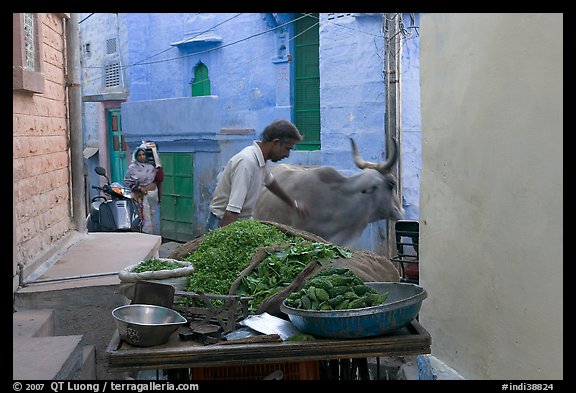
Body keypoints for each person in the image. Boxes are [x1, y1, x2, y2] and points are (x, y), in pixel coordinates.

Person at [207, 119, 309, 230]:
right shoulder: (247, 162)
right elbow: (232, 210)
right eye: (287, 149)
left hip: (241, 222)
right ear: (275, 142)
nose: (287, 155)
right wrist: (221, 241)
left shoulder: (261, 160)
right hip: (223, 222)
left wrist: (293, 204)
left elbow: (271, 183)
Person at [124, 147, 159, 234]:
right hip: (138, 195)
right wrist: (140, 188)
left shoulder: (150, 168)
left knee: (151, 215)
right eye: (139, 155)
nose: (141, 157)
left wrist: (149, 188)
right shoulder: (132, 168)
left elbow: (154, 181)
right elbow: (128, 181)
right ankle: (144, 234)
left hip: (151, 194)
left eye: (143, 155)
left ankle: (150, 234)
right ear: (136, 157)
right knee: (142, 216)